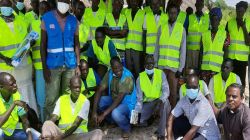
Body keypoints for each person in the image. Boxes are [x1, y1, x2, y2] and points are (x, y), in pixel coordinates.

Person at [40, 0, 81, 119]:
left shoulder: (73, 20)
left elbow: (76, 44)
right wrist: (44, 67)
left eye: (67, 1)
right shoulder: (47, 18)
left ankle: (66, 124)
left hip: (70, 65)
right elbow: (42, 44)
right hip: (52, 66)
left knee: (68, 96)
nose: (65, 3)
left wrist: (77, 64)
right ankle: (50, 127)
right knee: (51, 98)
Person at [0, 0, 38, 114]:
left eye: (8, 5)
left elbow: (31, 39)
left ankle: (32, 119)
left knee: (27, 92)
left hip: (24, 66)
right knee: (10, 94)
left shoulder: (23, 20)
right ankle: (13, 121)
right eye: (3, 5)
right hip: (5, 69)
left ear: (12, 5)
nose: (6, 7)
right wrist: (5, 58)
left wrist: (32, 43)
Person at [92, 56, 137, 138]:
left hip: (128, 105)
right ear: (111, 68)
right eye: (115, 68)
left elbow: (120, 98)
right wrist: (94, 112)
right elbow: (99, 89)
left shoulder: (127, 76)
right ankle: (114, 122)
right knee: (101, 101)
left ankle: (127, 128)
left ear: (121, 65)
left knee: (115, 113)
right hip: (115, 101)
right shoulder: (110, 73)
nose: (118, 70)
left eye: (120, 67)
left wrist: (103, 114)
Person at [167, 74, 220, 140]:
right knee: (177, 121)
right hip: (195, 129)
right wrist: (169, 137)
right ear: (185, 86)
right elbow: (171, 117)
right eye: (189, 87)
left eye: (194, 87)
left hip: (207, 135)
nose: (191, 90)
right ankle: (178, 138)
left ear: (199, 86)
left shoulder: (203, 104)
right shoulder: (185, 99)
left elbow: (193, 131)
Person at [154, 3, 186, 106]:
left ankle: (172, 116)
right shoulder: (161, 28)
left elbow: (183, 51)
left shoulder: (181, 29)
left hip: (174, 68)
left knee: (173, 93)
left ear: (177, 14)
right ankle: (161, 114)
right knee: (161, 92)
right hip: (162, 66)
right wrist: (155, 65)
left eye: (174, 13)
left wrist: (180, 69)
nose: (172, 15)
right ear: (167, 13)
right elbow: (157, 48)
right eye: (170, 13)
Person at [135, 55, 171, 139]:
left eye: (151, 63)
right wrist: (135, 117)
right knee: (137, 121)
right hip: (148, 104)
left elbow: (166, 91)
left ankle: (161, 133)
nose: (149, 66)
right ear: (144, 65)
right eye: (147, 64)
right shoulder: (139, 78)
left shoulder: (161, 73)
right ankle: (150, 119)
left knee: (165, 104)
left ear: (154, 64)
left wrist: (160, 101)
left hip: (160, 101)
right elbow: (139, 99)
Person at [0, 72, 40, 140]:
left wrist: (29, 135)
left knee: (38, 137)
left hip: (13, 130)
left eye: (15, 82)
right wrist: (14, 104)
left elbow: (24, 120)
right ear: (1, 87)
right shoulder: (16, 101)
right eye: (11, 84)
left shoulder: (17, 95)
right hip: (1, 131)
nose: (15, 85)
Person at [31, 0, 50, 122]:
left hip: (53, 65)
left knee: (52, 94)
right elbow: (28, 44)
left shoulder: (54, 24)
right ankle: (43, 121)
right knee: (41, 96)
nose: (42, 10)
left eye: (45, 8)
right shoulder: (33, 24)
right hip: (39, 66)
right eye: (41, 8)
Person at [200, 7, 229, 84]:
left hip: (217, 69)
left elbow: (226, 54)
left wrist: (224, 68)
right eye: (212, 19)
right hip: (205, 69)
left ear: (219, 21)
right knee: (204, 92)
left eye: (216, 20)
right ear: (210, 21)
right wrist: (199, 67)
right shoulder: (204, 34)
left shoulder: (225, 34)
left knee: (214, 91)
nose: (214, 22)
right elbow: (201, 52)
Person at [226, 1, 250, 88]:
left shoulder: (249, 23)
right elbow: (226, 41)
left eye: (241, 11)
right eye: (238, 11)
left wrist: (243, 26)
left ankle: (241, 99)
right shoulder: (229, 23)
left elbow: (248, 42)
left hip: (242, 59)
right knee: (230, 80)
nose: (239, 13)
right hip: (231, 58)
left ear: (245, 11)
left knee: (241, 81)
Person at [185, 0, 209, 70]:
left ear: (203, 6)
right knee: (189, 71)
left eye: (201, 5)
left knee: (200, 71)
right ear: (195, 5)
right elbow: (184, 32)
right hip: (190, 51)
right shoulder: (189, 17)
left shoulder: (207, 18)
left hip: (203, 50)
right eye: (198, 5)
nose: (199, 6)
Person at [125, 0, 145, 79]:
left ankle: (139, 87)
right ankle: (130, 87)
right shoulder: (126, 12)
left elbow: (144, 32)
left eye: (135, 1)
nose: (133, 2)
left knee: (138, 69)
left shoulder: (143, 13)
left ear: (138, 2)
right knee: (129, 69)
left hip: (138, 47)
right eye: (132, 1)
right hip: (127, 45)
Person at [105, 0, 128, 66]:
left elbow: (124, 34)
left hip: (121, 50)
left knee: (121, 68)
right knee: (111, 68)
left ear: (121, 6)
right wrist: (120, 32)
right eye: (115, 4)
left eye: (118, 5)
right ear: (112, 5)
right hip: (110, 49)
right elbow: (106, 32)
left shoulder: (124, 18)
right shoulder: (107, 17)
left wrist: (111, 33)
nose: (116, 6)